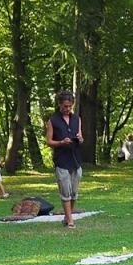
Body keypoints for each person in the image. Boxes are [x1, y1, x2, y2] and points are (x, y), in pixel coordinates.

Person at [44, 91, 83, 229]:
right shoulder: (53, 120)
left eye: (70, 106)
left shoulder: (76, 119)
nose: (67, 109)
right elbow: (48, 141)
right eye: (65, 106)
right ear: (59, 104)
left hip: (75, 159)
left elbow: (81, 137)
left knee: (74, 192)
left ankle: (67, 216)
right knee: (65, 191)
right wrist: (61, 142)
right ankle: (71, 220)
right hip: (61, 159)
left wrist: (79, 139)